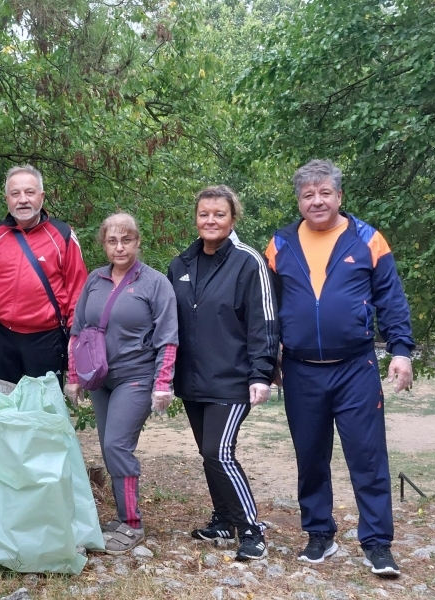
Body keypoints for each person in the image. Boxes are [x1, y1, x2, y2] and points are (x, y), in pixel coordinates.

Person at [265, 159, 414, 577]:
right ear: (299, 200)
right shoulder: (279, 244)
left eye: (324, 193)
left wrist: (400, 351)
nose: (317, 201)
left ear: (339, 196)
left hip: (355, 368)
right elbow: (267, 311)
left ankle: (377, 544)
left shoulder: (368, 239)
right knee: (310, 456)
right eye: (308, 194)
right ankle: (319, 535)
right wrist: (268, 358)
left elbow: (391, 300)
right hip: (299, 370)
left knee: (367, 458)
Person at [167, 186, 278, 561]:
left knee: (219, 451)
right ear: (195, 218)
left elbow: (263, 322)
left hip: (234, 379)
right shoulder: (180, 264)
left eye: (219, 214)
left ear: (233, 218)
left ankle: (251, 529)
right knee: (207, 452)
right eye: (204, 214)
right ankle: (223, 519)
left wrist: (261, 373)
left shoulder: (249, 262)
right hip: (193, 379)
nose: (210, 221)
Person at [64, 213, 178, 555]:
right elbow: (78, 330)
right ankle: (121, 517)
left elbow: (168, 337)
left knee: (116, 445)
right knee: (108, 446)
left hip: (137, 377)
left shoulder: (155, 283)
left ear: (137, 242)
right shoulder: (94, 280)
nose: (119, 247)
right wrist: (73, 376)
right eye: (112, 240)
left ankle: (132, 523)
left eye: (126, 240)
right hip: (100, 378)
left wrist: (163, 382)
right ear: (104, 243)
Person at [0, 165, 88, 385]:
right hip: (0, 336)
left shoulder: (63, 235)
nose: (22, 200)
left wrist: (75, 335)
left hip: (46, 339)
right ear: (7, 199)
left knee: (43, 409)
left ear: (41, 197)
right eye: (15, 194)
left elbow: (77, 290)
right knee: (1, 405)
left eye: (29, 192)